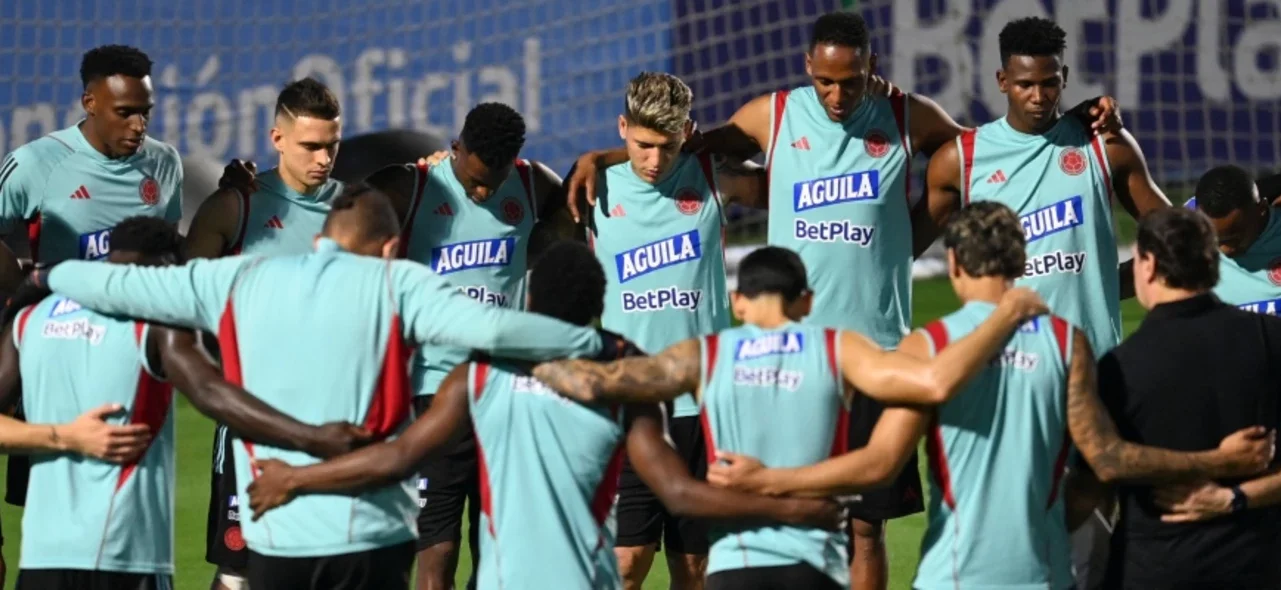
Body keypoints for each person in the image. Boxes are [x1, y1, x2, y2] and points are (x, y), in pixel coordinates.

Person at [565, 15, 1120, 586]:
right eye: (825, 80)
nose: (836, 94)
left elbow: (986, 154)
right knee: (772, 517)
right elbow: (681, 147)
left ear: (871, 69)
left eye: (850, 81)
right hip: (788, 356)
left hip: (876, 355)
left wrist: (1066, 123)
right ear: (808, 66)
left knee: (865, 527)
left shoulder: (907, 114)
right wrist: (605, 157)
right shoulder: (772, 114)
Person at [39, 184, 618, 590]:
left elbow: (88, 280)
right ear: (388, 247)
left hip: (276, 537)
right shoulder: (398, 283)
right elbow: (496, 327)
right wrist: (593, 345)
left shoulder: (233, 279)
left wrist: (52, 275)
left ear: (324, 236)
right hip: (371, 537)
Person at [701, 203, 1273, 589]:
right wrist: (1216, 462)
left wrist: (770, 480)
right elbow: (1103, 463)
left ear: (952, 263)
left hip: (955, 575)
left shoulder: (929, 347)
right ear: (1022, 263)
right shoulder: (1064, 341)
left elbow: (877, 465)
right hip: (1044, 573)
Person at [242, 240, 842, 589]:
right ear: (598, 307)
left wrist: (295, 479)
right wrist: (789, 508)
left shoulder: (481, 372)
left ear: (530, 302)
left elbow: (398, 457)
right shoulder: (622, 375)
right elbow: (679, 494)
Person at [531, 245, 1052, 589]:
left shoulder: (705, 355)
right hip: (815, 564)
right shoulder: (840, 347)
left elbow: (597, 380)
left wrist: (534, 357)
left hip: (735, 566)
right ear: (806, 301)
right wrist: (1004, 315)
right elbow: (933, 382)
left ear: (738, 302)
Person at [921, 18, 1171, 586]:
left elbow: (1172, 241)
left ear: (1064, 78)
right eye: (1026, 84)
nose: (1039, 97)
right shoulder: (960, 160)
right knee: (1027, 515)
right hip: (1012, 372)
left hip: (1101, 364)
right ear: (1002, 80)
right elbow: (904, 246)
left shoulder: (1103, 144)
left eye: (1051, 83)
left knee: (1106, 508)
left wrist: (1114, 284)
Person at [3, 216, 371, 590]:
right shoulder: (155, 322)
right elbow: (212, 394)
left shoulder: (30, 320)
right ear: (165, 267)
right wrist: (312, 438)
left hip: (41, 557)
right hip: (123, 554)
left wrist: (63, 437)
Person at [356, 102, 578, 589]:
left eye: (492, 183)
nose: (482, 191)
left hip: (506, 394)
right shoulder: (411, 186)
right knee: (436, 552)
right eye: (475, 179)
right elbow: (341, 220)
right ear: (455, 148)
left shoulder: (533, 183)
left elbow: (571, 232)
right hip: (433, 392)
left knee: (502, 549)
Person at [568, 71, 767, 590]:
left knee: (695, 566)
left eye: (669, 145)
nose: (655, 161)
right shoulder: (593, 186)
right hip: (630, 404)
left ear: (689, 133)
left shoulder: (710, 176)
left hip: (703, 406)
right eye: (642, 145)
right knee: (627, 561)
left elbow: (791, 185)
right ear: (621, 128)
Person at [0, 44, 185, 566]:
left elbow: (165, 249)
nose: (138, 124)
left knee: (132, 487)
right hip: (57, 353)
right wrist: (18, 294)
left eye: (145, 111)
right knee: (53, 491)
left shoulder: (164, 164)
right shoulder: (39, 163)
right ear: (89, 101)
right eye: (124, 111)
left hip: (134, 356)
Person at [183, 76, 347, 590]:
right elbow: (182, 298)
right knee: (238, 574)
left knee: (328, 565)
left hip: (331, 417)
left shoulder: (355, 211)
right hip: (251, 418)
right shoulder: (238, 207)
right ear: (277, 140)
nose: (323, 158)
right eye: (310, 146)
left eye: (332, 145)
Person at [1093, 207, 1281, 589]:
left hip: (1154, 572)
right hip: (1256, 566)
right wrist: (1234, 498)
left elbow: (1099, 472)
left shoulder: (1116, 368)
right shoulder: (1271, 339)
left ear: (1145, 267)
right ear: (1215, 264)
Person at [1187, 165, 1281, 315]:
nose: (1225, 250)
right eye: (1214, 239)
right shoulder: (1186, 229)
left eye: (1233, 238)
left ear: (1261, 209)